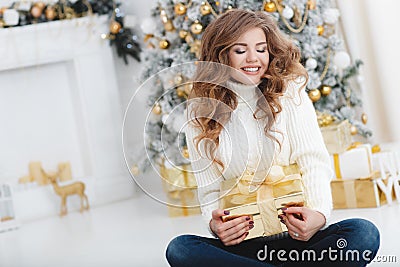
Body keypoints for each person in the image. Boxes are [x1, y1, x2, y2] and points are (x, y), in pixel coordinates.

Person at [166, 9, 380, 267]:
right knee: (180, 249)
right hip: (244, 247)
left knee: (363, 232)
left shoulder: (289, 92)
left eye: (261, 49)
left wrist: (319, 216)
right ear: (221, 55)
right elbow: (209, 188)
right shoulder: (200, 110)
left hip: (301, 241)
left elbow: (313, 161)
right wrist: (214, 225)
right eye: (240, 50)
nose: (253, 58)